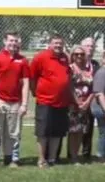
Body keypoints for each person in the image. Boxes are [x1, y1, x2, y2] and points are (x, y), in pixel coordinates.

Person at [0, 32, 29, 170]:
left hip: (14, 102)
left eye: (15, 41)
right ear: (4, 41)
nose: (13, 43)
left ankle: (9, 160)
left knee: (11, 134)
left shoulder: (23, 60)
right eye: (10, 40)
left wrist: (24, 104)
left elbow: (25, 83)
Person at [30, 34, 73, 168]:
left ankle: (53, 158)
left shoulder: (65, 58)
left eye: (60, 43)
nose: (58, 46)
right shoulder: (41, 57)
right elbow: (32, 77)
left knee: (57, 132)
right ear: (50, 44)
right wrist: (35, 93)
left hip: (61, 102)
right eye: (55, 43)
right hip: (45, 101)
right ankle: (41, 159)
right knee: (43, 132)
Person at [66, 46, 94, 164]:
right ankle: (73, 156)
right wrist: (77, 101)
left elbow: (94, 88)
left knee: (81, 131)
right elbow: (69, 86)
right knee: (73, 131)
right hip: (73, 105)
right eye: (76, 54)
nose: (79, 56)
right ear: (72, 55)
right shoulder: (70, 68)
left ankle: (76, 154)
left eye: (82, 54)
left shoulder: (89, 70)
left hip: (85, 105)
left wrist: (87, 102)